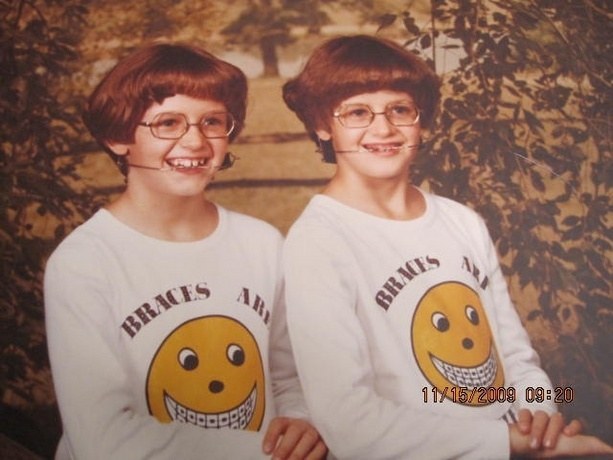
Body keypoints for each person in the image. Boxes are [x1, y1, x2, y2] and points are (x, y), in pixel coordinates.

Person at [281, 34, 613, 459]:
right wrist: (510, 442)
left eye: (400, 109)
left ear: (421, 121)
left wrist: (541, 420)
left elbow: (516, 357)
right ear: (322, 125)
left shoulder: (462, 221)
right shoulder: (318, 241)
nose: (383, 128)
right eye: (358, 112)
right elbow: (348, 419)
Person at [44, 43, 326, 460]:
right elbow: (103, 438)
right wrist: (266, 454)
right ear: (118, 137)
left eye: (212, 122)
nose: (194, 141)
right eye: (168, 123)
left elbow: (288, 377)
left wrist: (301, 419)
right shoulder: (84, 263)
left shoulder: (261, 243)